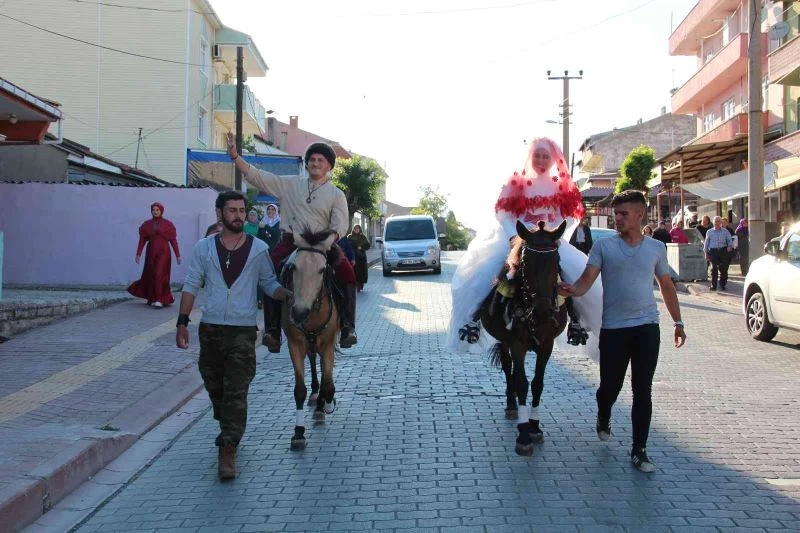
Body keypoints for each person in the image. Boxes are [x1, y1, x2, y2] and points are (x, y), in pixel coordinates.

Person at [558, 190, 686, 473]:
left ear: (640, 215)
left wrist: (678, 322)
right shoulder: (604, 249)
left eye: (623, 214)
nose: (617, 218)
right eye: (615, 214)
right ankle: (604, 414)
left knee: (643, 389)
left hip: (646, 328)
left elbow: (666, 286)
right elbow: (584, 283)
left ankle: (639, 450)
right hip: (614, 330)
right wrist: (568, 290)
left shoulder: (656, 248)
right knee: (609, 389)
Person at [448, 136, 602, 355]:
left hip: (548, 241)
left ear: (552, 160)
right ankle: (474, 319)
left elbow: (566, 217)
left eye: (545, 156)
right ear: (530, 157)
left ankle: (577, 320)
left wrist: (553, 233)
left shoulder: (560, 186)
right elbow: (503, 214)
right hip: (516, 239)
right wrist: (514, 237)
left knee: (573, 274)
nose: (541, 159)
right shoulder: (516, 182)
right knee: (487, 273)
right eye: (537, 155)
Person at [175, 191, 291, 480]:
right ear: (219, 214)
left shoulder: (259, 248)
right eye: (233, 210)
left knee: (236, 390)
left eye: (242, 210)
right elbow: (191, 285)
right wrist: (182, 322)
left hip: (242, 331)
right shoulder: (204, 248)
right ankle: (226, 422)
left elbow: (269, 284)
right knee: (214, 385)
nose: (239, 215)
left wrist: (290, 295)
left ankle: (228, 448)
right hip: (211, 328)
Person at [226, 132, 358, 351]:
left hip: (322, 245)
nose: (315, 163)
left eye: (320, 160)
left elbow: (340, 223)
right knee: (268, 272)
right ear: (306, 164)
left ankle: (348, 327)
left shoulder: (336, 194)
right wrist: (235, 157)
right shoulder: (290, 185)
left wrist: (330, 240)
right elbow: (259, 176)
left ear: (329, 166)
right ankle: (273, 331)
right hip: (292, 242)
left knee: (348, 273)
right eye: (312, 160)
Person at [127, 202, 181, 308]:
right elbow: (142, 240)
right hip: (151, 252)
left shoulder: (168, 224)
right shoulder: (146, 225)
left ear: (161, 211)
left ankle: (159, 299)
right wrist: (138, 254)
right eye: (153, 210)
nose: (155, 212)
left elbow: (173, 241)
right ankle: (156, 297)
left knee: (159, 273)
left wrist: (177, 255)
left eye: (157, 210)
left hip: (164, 252)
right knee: (151, 274)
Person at [704, 216, 733, 291]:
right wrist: (706, 253)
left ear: (721, 223)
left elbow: (729, 239)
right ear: (713, 223)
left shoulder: (725, 231)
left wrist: (729, 246)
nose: (717, 223)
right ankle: (713, 285)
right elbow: (706, 243)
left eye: (718, 221)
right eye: (715, 221)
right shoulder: (709, 232)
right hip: (713, 251)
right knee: (714, 268)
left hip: (723, 250)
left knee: (723, 268)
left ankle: (722, 284)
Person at [348, 224, 371, 291]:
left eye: (358, 229)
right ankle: (355, 286)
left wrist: (362, 247)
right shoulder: (350, 237)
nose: (357, 230)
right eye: (355, 229)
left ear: (360, 229)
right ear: (353, 229)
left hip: (362, 258)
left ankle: (360, 285)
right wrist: (355, 247)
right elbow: (348, 246)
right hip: (353, 257)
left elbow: (368, 245)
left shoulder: (363, 237)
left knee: (361, 272)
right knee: (354, 272)